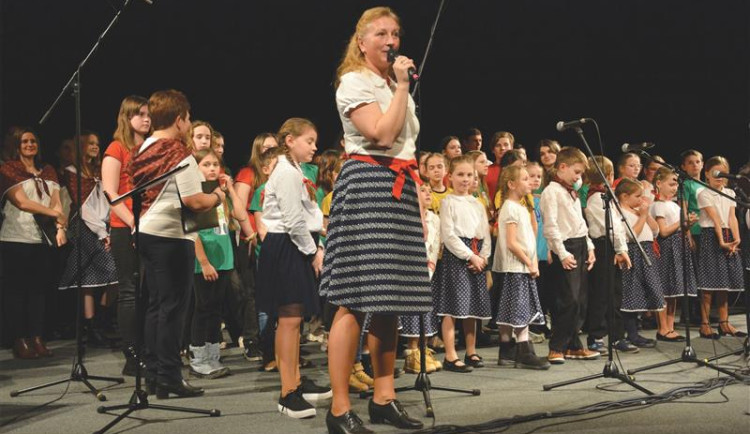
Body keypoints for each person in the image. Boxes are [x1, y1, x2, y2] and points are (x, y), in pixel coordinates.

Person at [322, 6, 431, 433]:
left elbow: (405, 146)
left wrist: (419, 202)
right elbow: (382, 135)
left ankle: (384, 397)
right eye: (382, 34)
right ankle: (340, 408)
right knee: (354, 296)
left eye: (396, 34)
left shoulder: (390, 84)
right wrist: (403, 86)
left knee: (391, 298)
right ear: (362, 42)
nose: (391, 41)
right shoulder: (355, 82)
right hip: (368, 182)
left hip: (400, 187)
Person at [128, 89, 226, 398]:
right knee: (172, 309)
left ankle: (156, 374)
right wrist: (218, 196)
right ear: (180, 120)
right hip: (170, 236)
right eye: (187, 118)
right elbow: (195, 201)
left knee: (157, 307)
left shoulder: (142, 147)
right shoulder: (177, 152)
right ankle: (169, 375)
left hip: (146, 231)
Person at [256, 118, 331, 419]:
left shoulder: (295, 169)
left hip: (297, 244)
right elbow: (292, 220)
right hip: (287, 245)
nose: (314, 147)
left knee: (295, 318)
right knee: (288, 320)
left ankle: (297, 380)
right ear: (289, 140)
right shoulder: (286, 172)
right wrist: (313, 252)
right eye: (309, 141)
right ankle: (288, 392)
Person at [1, 127, 67, 358]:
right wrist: (53, 213)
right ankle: (20, 340)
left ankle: (37, 337)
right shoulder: (8, 169)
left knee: (39, 292)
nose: (30, 144)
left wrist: (60, 226)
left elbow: (58, 202)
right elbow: (21, 202)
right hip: (15, 237)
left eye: (33, 141)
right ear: (16, 145)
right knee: (17, 292)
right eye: (24, 141)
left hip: (42, 239)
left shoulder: (47, 170)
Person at [189, 149, 255, 379]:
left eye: (215, 164)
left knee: (216, 309)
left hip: (224, 259)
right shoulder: (195, 194)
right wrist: (204, 262)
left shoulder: (221, 193)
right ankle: (198, 358)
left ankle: (212, 354)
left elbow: (239, 214)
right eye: (206, 164)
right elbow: (192, 232)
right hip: (204, 261)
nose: (212, 169)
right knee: (203, 309)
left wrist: (231, 191)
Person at [102, 95, 151, 375]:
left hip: (148, 225)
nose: (146, 119)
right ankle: (132, 357)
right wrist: (133, 222)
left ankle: (147, 349)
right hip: (125, 227)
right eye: (140, 114)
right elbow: (111, 192)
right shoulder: (116, 148)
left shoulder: (149, 148)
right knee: (130, 291)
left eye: (148, 114)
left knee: (147, 291)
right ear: (127, 117)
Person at [58, 131, 118, 348]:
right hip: (85, 227)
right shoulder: (72, 172)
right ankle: (92, 326)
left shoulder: (98, 170)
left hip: (104, 225)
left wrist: (109, 225)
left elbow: (107, 201)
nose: (95, 146)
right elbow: (84, 208)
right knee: (89, 278)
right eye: (90, 143)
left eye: (97, 143)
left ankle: (99, 322)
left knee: (113, 276)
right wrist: (102, 232)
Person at [540, 147, 599, 364]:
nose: (579, 177)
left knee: (581, 300)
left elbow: (579, 222)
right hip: (564, 247)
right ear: (562, 167)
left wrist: (590, 247)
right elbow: (551, 227)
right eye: (576, 172)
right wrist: (562, 253)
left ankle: (574, 345)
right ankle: (557, 346)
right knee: (568, 299)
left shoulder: (570, 190)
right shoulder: (551, 192)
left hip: (580, 244)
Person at [433, 155, 492, 372]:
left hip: (476, 253)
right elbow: (448, 235)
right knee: (453, 306)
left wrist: (483, 256)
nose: (465, 179)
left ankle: (471, 350)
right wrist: (470, 256)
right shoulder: (448, 202)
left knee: (472, 307)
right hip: (457, 257)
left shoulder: (477, 203)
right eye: (460, 175)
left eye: (469, 175)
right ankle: (450, 354)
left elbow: (485, 232)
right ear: (450, 177)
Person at [493, 165, 549, 369]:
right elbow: (511, 242)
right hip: (516, 267)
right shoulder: (509, 207)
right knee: (520, 309)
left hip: (521, 266)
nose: (529, 182)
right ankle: (524, 351)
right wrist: (530, 262)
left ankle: (506, 351)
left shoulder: (520, 207)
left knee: (510, 309)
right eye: (524, 179)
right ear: (511, 184)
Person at [583, 157, 638, 354]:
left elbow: (618, 224)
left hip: (612, 246)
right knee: (601, 294)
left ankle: (616, 335)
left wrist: (620, 248)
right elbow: (611, 228)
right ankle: (596, 336)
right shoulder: (596, 199)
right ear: (608, 176)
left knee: (615, 293)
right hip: (602, 246)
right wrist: (621, 250)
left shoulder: (606, 196)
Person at [233, 132, 278, 362]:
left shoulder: (280, 174)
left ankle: (272, 340)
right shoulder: (248, 173)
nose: (270, 150)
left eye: (274, 147)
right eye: (266, 147)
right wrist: (251, 235)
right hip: (250, 240)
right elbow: (238, 208)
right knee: (251, 294)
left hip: (271, 239)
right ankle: (252, 340)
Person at [696, 156, 746, 338]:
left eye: (722, 173)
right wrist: (722, 241)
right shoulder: (704, 193)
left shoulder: (730, 193)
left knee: (724, 283)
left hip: (727, 234)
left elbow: (731, 217)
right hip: (711, 235)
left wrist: (736, 238)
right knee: (709, 283)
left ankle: (724, 323)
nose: (719, 177)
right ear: (707, 174)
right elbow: (715, 218)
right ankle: (705, 323)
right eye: (714, 173)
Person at [616, 178, 664, 348]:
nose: (640, 200)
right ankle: (631, 333)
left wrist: (645, 214)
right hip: (634, 253)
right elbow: (631, 235)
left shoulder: (636, 211)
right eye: (637, 196)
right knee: (632, 292)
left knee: (644, 292)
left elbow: (656, 230)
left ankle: (636, 331)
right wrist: (642, 216)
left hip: (647, 251)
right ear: (624, 196)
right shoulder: (620, 212)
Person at [651, 167, 698, 341]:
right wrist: (682, 222)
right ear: (658, 183)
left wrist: (688, 224)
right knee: (665, 289)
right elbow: (663, 231)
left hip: (678, 246)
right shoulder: (658, 205)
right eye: (671, 184)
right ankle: (662, 328)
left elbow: (680, 226)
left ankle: (670, 327)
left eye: (676, 184)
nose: (674, 187)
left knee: (674, 289)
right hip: (666, 248)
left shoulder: (674, 204)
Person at [400, 182, 442, 374]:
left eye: (429, 191)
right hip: (411, 271)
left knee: (426, 311)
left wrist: (431, 265)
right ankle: (412, 351)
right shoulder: (408, 216)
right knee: (412, 311)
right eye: (421, 191)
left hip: (429, 270)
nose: (426, 194)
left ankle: (424, 350)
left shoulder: (433, 218)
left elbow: (435, 244)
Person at [486, 131, 514, 201]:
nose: (502, 148)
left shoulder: (519, 170)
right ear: (493, 149)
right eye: (498, 145)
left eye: (506, 145)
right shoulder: (486, 171)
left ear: (512, 147)